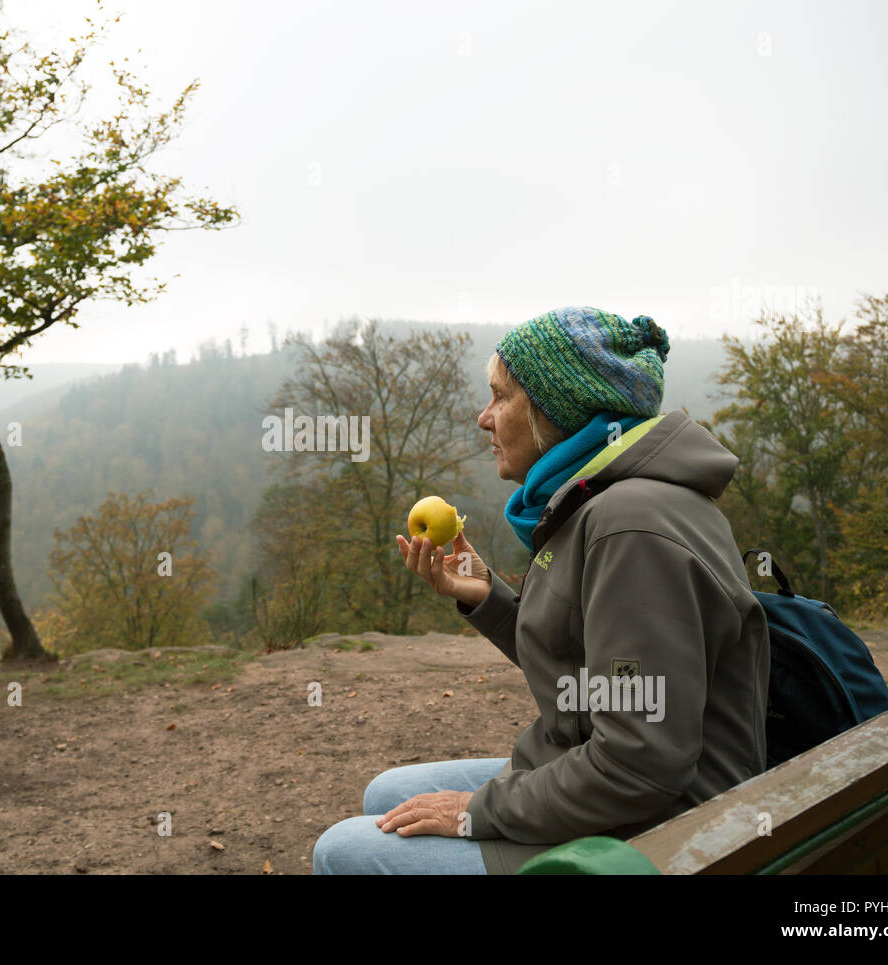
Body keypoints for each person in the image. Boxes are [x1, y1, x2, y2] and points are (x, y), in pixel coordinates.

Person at [312, 306, 771, 875]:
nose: (484, 418)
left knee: (342, 851)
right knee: (388, 793)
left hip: (654, 833)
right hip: (608, 787)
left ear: (560, 413)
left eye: (501, 397)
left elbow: (639, 767)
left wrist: (477, 812)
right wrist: (488, 598)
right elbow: (588, 675)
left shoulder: (630, 528)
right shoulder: (601, 506)